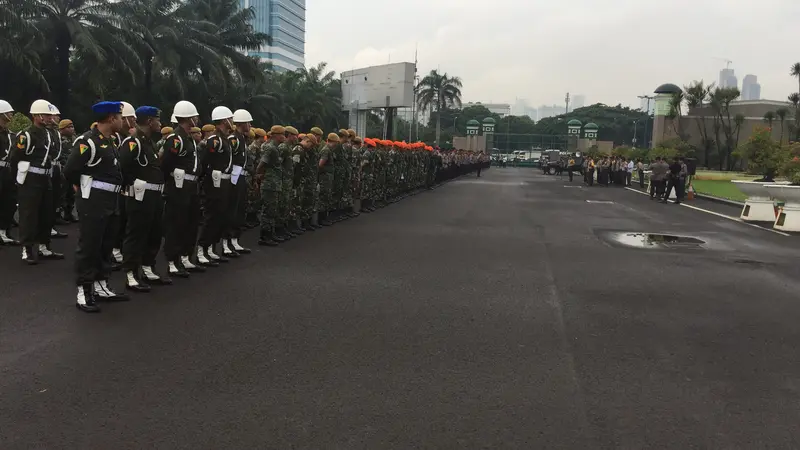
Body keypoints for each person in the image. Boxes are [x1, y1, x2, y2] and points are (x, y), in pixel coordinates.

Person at [64, 101, 130, 312]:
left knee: (105, 246)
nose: (122, 121)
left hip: (111, 201)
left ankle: (101, 284)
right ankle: (84, 291)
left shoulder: (111, 140)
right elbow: (71, 170)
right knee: (90, 246)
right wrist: (82, 188)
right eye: (120, 117)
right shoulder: (87, 142)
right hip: (93, 201)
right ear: (111, 118)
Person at [119, 106, 171, 292]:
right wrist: (131, 185)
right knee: (136, 235)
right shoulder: (133, 142)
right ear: (149, 121)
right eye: (157, 119)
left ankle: (148, 267)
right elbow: (122, 167)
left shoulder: (148, 141)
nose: (160, 123)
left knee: (154, 233)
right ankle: (131, 273)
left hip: (155, 195)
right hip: (140, 196)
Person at [12, 99, 63, 264]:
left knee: (46, 213)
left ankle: (44, 246)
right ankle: (27, 249)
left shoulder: (49, 133)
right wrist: (19, 179)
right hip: (30, 179)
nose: (50, 118)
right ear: (36, 116)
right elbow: (15, 158)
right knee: (29, 214)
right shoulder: (26, 135)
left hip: (46, 178)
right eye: (46, 115)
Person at [161, 100, 204, 277]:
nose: (197, 119)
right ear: (188, 118)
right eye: (194, 116)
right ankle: (172, 260)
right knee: (176, 224)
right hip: (178, 187)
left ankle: (186, 256)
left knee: (191, 223)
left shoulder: (188, 139)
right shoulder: (175, 139)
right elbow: (165, 164)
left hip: (192, 187)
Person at [197, 106, 234, 265]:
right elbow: (204, 161)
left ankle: (211, 248)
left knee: (220, 216)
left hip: (224, 181)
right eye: (230, 119)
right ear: (224, 120)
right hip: (214, 182)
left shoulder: (224, 138)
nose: (232, 121)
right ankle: (201, 249)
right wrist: (208, 177)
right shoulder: (215, 140)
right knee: (211, 216)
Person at [222, 109, 253, 256]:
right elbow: (229, 160)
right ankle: (225, 242)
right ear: (242, 123)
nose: (250, 125)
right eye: (248, 122)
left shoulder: (241, 138)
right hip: (233, 177)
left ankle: (235, 240)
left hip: (241, 177)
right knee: (231, 210)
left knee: (240, 209)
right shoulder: (233, 139)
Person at [256, 125, 285, 246]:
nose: (284, 136)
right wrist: (259, 176)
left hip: (274, 183)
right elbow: (262, 164)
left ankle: (270, 234)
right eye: (282, 134)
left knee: (272, 210)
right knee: (268, 210)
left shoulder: (275, 148)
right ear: (276, 135)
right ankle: (265, 236)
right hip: (269, 184)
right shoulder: (270, 148)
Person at [0, 99, 19, 245]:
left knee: (9, 201)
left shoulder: (10, 134)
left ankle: (3, 231)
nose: (11, 115)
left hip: (8, 170)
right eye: (8, 112)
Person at [317, 132, 338, 226]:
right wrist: (325, 172)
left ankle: (324, 217)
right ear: (331, 141)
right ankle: (321, 219)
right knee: (324, 197)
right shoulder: (326, 150)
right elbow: (320, 164)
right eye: (335, 143)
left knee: (327, 197)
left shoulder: (330, 150)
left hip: (328, 177)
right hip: (325, 178)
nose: (336, 145)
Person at [58, 119, 77, 222]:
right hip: (62, 169)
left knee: (71, 193)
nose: (72, 129)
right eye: (69, 127)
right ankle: (58, 214)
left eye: (72, 127)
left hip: (72, 170)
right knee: (62, 193)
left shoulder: (75, 139)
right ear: (62, 129)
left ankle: (68, 213)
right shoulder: (58, 138)